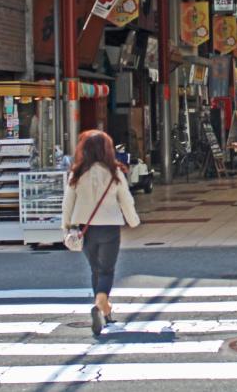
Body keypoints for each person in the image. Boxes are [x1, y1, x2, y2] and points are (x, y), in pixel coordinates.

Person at [61, 130, 141, 337]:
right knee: (106, 271)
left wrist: (66, 227)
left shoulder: (76, 174)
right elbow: (126, 200)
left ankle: (105, 310)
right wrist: (133, 221)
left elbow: (67, 203)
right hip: (109, 227)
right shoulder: (115, 173)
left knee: (96, 270)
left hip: (85, 228)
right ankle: (101, 305)